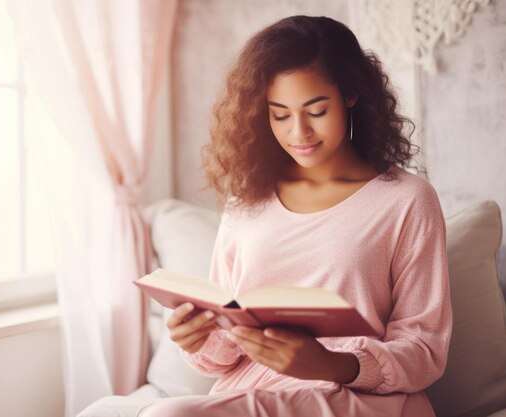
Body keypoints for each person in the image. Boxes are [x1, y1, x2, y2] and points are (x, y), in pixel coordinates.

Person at [139, 15, 452, 417]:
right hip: (254, 392)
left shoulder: (407, 200)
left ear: (351, 94)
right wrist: (196, 339)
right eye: (280, 115)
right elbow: (228, 344)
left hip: (359, 398)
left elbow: (425, 350)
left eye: (316, 110)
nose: (298, 132)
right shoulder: (246, 201)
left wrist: (331, 364)